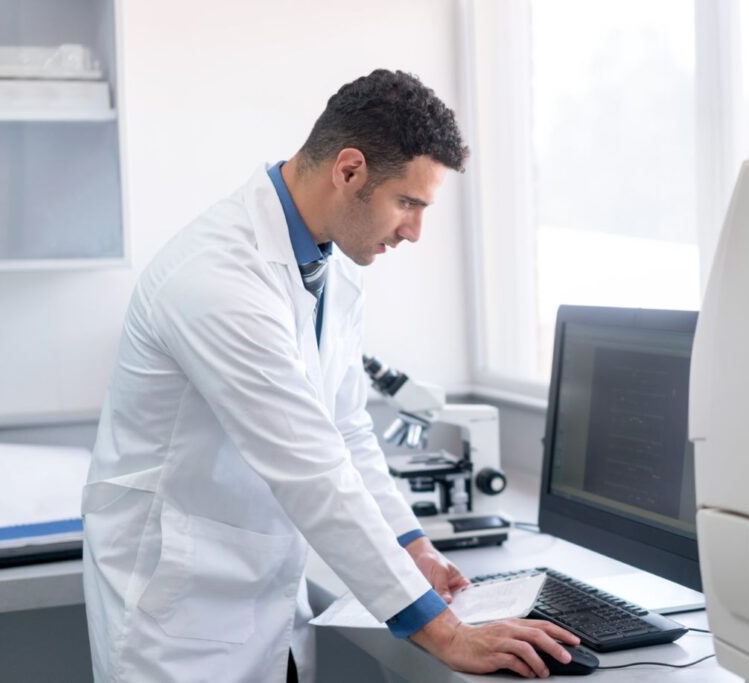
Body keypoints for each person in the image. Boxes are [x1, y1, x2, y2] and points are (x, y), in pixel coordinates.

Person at [81, 69, 578, 682]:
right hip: (179, 610)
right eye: (408, 203)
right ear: (349, 171)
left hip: (263, 591)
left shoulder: (333, 263)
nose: (414, 232)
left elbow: (344, 427)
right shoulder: (216, 277)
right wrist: (447, 633)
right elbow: (311, 467)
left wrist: (412, 545)